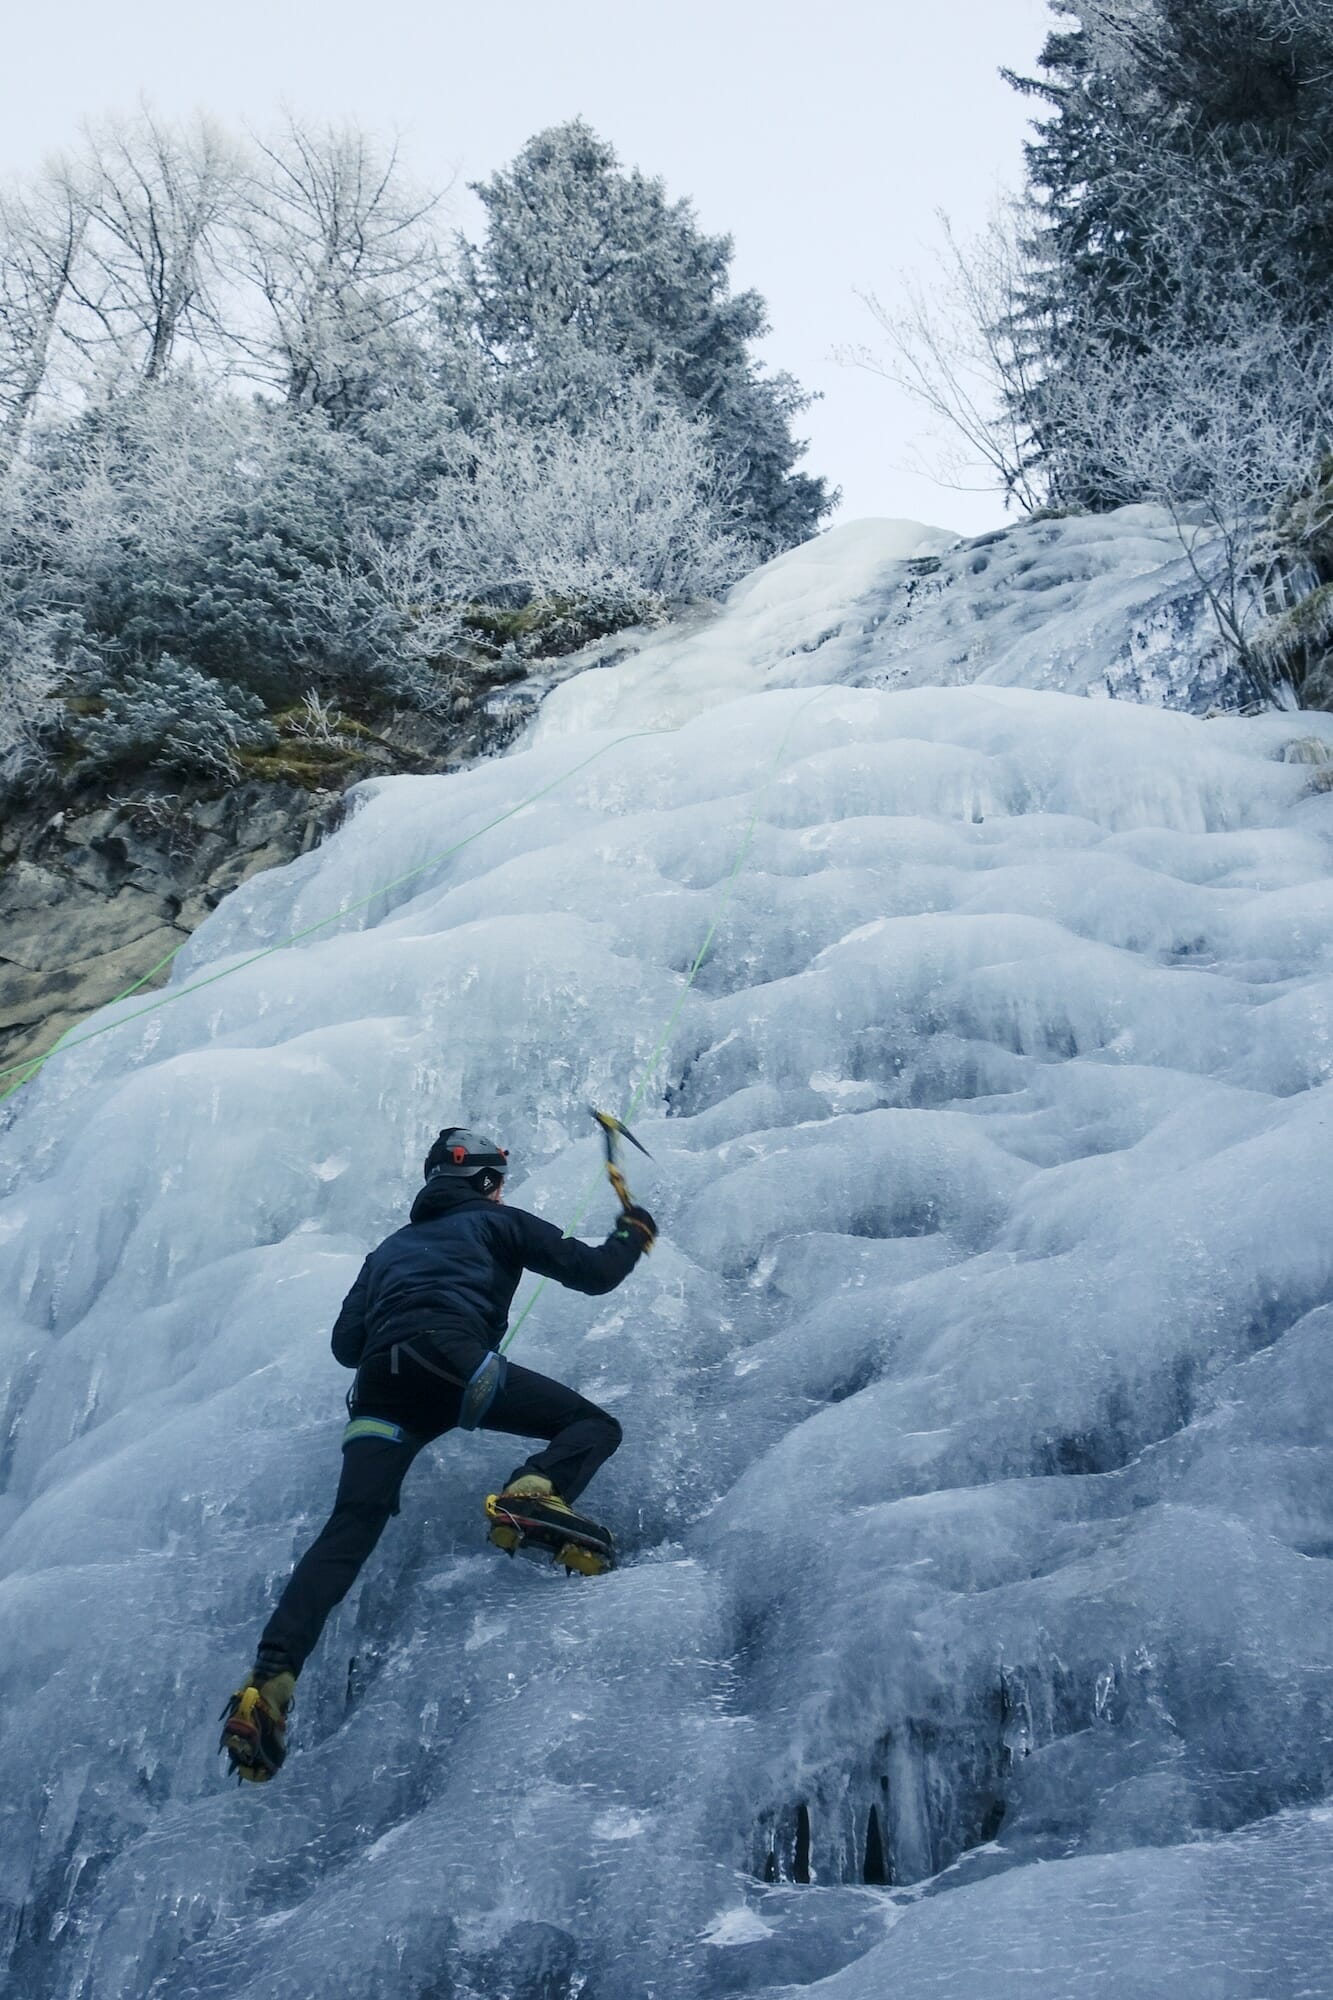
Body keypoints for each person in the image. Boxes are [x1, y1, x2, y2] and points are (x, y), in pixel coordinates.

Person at [220, 1126, 656, 1783]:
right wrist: (633, 1233)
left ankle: (270, 1680)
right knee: (590, 1425)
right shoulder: (497, 1222)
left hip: (379, 1389)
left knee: (349, 1527)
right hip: (451, 1360)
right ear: (484, 1182)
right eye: (497, 1180)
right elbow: (593, 1274)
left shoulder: (389, 1250)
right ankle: (532, 1491)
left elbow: (345, 1343)